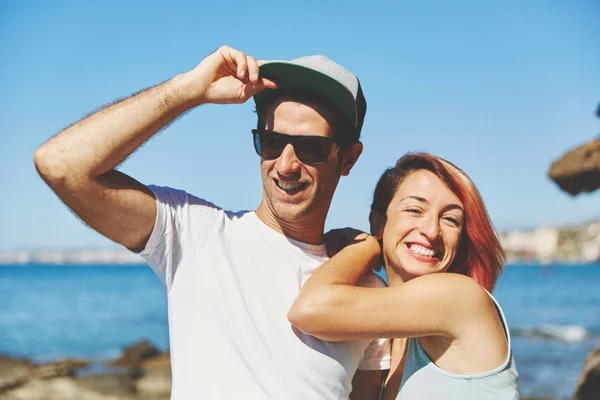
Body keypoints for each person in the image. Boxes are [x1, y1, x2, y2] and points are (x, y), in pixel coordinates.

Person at [33, 46, 391, 399]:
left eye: (310, 147)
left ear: (348, 159)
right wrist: (189, 89)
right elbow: (61, 165)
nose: (285, 165)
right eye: (271, 142)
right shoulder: (195, 234)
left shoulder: (364, 290)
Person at [289, 152, 519, 399]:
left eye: (451, 219)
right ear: (378, 221)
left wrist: (366, 245)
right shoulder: (392, 338)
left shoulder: (460, 298)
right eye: (415, 209)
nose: (432, 231)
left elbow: (310, 309)